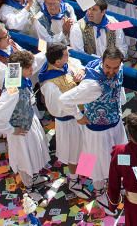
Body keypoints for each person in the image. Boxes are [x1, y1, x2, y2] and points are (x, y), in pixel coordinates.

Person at [59, 48, 129, 209]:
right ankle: (99, 191)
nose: (111, 71)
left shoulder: (119, 67)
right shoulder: (91, 85)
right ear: (102, 63)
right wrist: (78, 116)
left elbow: (93, 61)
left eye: (115, 68)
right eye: (107, 67)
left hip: (116, 123)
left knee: (122, 154)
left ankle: (123, 180)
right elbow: (64, 100)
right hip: (98, 132)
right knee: (98, 163)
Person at [0, 49, 51, 191]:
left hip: (28, 122)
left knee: (33, 153)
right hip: (20, 130)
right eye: (29, 68)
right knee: (24, 157)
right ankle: (29, 186)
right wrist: (12, 130)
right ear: (19, 69)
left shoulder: (18, 77)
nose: (32, 69)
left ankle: (33, 177)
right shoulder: (13, 90)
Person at [38, 42, 89, 198]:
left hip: (81, 116)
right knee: (74, 151)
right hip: (70, 122)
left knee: (87, 147)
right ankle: (73, 181)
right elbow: (56, 108)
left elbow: (77, 64)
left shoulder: (64, 65)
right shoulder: (50, 84)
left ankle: (85, 172)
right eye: (66, 54)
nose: (69, 55)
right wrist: (77, 115)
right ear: (58, 61)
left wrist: (80, 71)